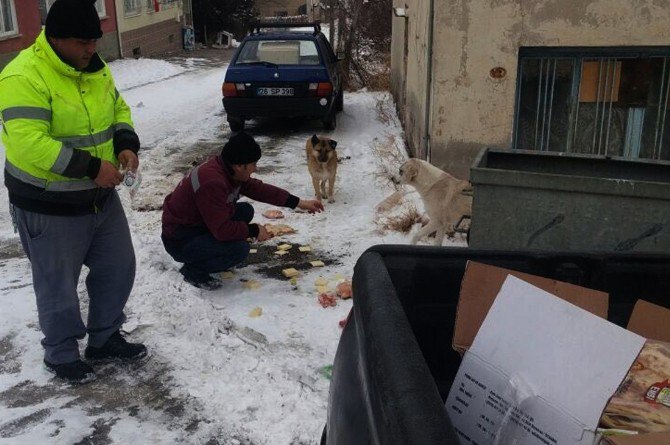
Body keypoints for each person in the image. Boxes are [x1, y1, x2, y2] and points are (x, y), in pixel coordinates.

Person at [0, 0, 146, 384]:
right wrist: (93, 167)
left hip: (99, 199)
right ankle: (62, 353)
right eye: (83, 42)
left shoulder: (95, 70)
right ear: (56, 38)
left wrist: (126, 144)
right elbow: (29, 143)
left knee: (118, 267)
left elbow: (119, 110)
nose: (91, 49)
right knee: (57, 285)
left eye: (95, 40)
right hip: (47, 205)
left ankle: (104, 337)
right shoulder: (23, 75)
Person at [162, 131, 324, 290]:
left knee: (245, 210)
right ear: (240, 165)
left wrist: (298, 203)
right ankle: (194, 270)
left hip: (198, 225)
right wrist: (253, 230)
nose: (255, 168)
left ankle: (211, 252)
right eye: (253, 164)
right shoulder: (212, 182)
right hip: (181, 239)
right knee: (239, 250)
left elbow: (260, 190)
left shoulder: (228, 169)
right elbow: (222, 230)